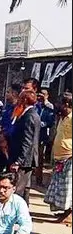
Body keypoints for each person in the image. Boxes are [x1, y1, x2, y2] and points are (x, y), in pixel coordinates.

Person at [7, 89, 41, 205]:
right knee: (25, 188)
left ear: (25, 100)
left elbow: (28, 141)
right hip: (25, 158)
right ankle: (23, 213)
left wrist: (18, 161)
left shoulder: (29, 116)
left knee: (18, 189)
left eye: (21, 98)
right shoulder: (26, 114)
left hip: (24, 159)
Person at [45, 94, 72, 225]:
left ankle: (69, 214)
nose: (57, 106)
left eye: (60, 103)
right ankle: (65, 212)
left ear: (66, 104)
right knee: (61, 188)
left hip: (70, 158)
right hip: (60, 158)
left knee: (69, 189)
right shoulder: (62, 118)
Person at [33, 88, 56, 185]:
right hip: (33, 133)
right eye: (38, 95)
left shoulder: (49, 107)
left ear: (46, 96)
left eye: (42, 95)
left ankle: (39, 179)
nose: (40, 97)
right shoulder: (36, 105)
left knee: (40, 157)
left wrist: (41, 124)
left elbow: (50, 122)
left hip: (42, 135)